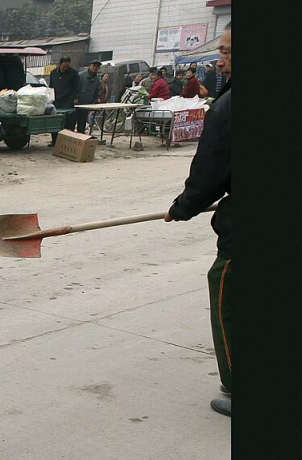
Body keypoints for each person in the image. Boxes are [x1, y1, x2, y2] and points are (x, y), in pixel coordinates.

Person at [164, 21, 231, 418]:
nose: (219, 61)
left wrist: (184, 206)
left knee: (226, 294)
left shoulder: (229, 106)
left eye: (225, 53)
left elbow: (211, 170)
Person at [48, 56, 80, 146]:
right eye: (63, 67)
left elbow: (77, 87)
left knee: (67, 121)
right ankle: (54, 140)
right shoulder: (53, 73)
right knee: (55, 121)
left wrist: (75, 98)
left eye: (67, 67)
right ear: (60, 64)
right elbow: (51, 86)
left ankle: (66, 141)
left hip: (68, 100)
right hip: (56, 100)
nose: (65, 69)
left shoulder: (73, 73)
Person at [75, 60, 101, 134]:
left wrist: (96, 100)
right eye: (94, 66)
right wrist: (75, 98)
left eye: (97, 67)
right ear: (90, 66)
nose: (95, 68)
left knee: (82, 122)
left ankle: (80, 137)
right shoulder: (81, 75)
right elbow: (75, 88)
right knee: (72, 121)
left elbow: (97, 91)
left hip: (87, 104)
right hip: (77, 102)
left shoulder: (97, 80)